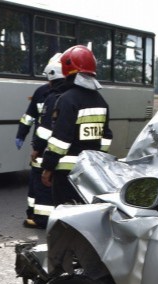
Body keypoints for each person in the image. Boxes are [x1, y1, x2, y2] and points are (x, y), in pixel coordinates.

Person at [41, 45, 112, 205]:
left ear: (67, 69)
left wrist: (48, 167)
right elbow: (106, 137)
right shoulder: (101, 101)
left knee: (66, 216)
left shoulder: (67, 99)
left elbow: (60, 140)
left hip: (66, 173)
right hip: (91, 171)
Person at [24, 53, 70, 229]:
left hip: (50, 154)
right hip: (73, 158)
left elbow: (45, 131)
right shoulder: (77, 97)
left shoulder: (54, 98)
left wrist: (36, 149)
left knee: (42, 185)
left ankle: (42, 220)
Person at [15, 75, 51, 228]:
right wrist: (21, 134)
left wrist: (37, 146)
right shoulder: (42, 92)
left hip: (46, 147)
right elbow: (29, 116)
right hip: (44, 147)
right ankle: (32, 213)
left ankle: (42, 218)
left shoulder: (59, 96)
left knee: (42, 183)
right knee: (36, 182)